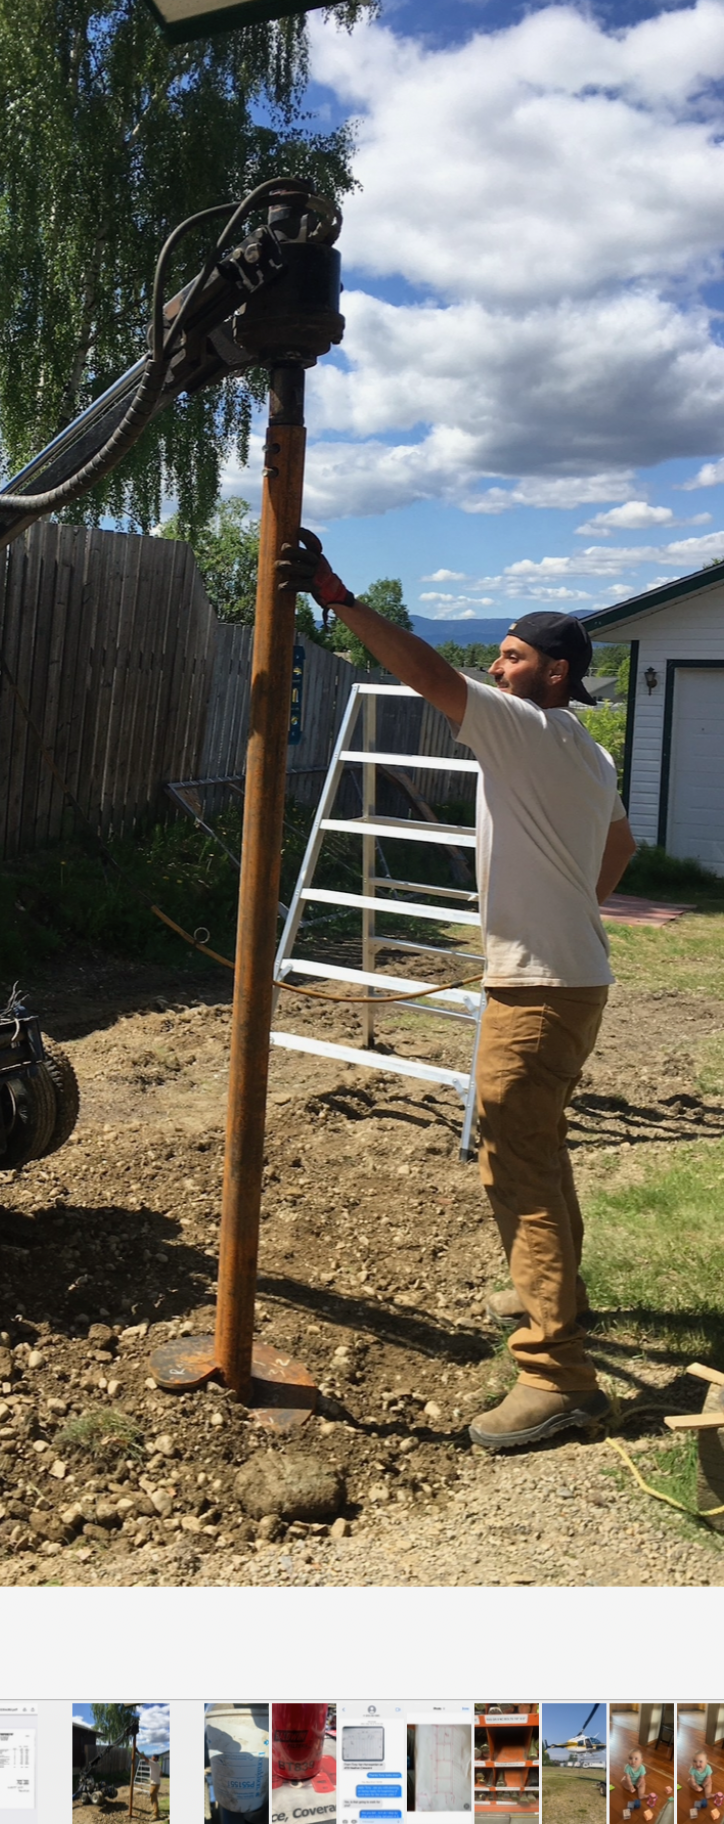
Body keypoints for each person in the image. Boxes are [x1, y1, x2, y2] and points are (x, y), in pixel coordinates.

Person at [278, 536, 636, 1453]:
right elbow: (622, 850)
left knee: (515, 1164)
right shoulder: (585, 753)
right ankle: (547, 1289)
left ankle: (558, 1378)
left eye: (512, 655)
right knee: (537, 1146)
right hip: (573, 976)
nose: (497, 665)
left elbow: (431, 675)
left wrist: (336, 595)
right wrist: (561, 907)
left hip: (540, 988)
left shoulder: (531, 725)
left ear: (553, 673)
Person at [687, 1750, 722, 1823]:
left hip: (705, 1781)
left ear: (706, 1762)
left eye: (700, 1761)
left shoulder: (708, 1768)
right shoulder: (692, 1769)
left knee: (709, 1782)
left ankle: (708, 1794)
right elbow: (692, 1778)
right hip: (696, 1781)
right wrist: (694, 1784)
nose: (697, 1764)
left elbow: (708, 1777)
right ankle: (696, 1786)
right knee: (690, 1781)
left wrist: (705, 1783)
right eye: (695, 1761)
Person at [620, 1748, 653, 1823]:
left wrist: (638, 1784)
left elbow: (642, 1777)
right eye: (630, 1758)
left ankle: (641, 1795)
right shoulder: (627, 1767)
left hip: (638, 1780)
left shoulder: (642, 1768)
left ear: (641, 1760)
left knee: (643, 1783)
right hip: (630, 1781)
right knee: (623, 1781)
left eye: (636, 1759)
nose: (633, 1761)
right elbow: (628, 1778)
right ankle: (630, 1787)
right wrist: (631, 1786)